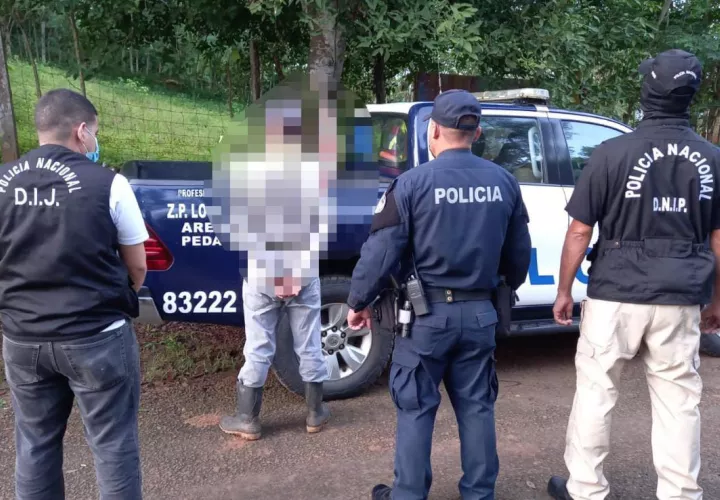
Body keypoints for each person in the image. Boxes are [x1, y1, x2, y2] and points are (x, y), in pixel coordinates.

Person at [548, 49, 720, 500]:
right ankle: (680, 493)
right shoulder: (713, 159)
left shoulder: (612, 153)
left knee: (596, 392)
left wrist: (564, 290)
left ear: (648, 92)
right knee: (679, 399)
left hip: (615, 292)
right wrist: (717, 299)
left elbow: (579, 231)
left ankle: (585, 489)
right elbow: (719, 238)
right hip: (681, 295)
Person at [345, 89, 532, 500]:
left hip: (425, 319)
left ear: (433, 131)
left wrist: (357, 302)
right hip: (481, 314)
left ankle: (409, 494)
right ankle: (479, 494)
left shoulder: (411, 184)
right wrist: (502, 288)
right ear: (476, 132)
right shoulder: (504, 182)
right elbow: (519, 255)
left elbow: (380, 253)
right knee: (477, 407)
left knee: (415, 407)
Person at [0, 88, 148, 499]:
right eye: (94, 132)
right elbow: (137, 265)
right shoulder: (110, 184)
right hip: (96, 336)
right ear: (82, 131)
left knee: (35, 443)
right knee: (113, 445)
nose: (94, 141)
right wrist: (120, 299)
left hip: (23, 338)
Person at [218, 89, 333, 440]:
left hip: (262, 273)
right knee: (310, 344)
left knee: (258, 347)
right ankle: (315, 414)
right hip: (303, 271)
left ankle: (247, 419)